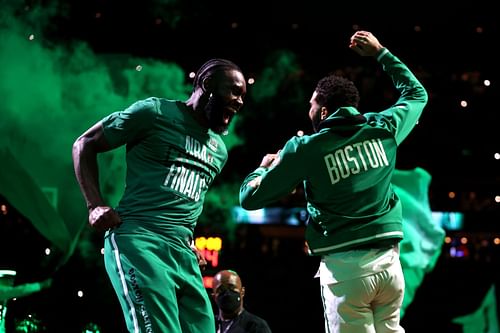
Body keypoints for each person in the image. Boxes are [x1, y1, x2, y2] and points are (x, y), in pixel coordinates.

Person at [239, 30, 428, 333]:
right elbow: (418, 94)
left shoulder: (305, 149)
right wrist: (381, 53)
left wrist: (261, 171)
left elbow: (250, 200)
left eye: (312, 104)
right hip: (391, 268)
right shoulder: (384, 127)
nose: (309, 110)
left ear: (324, 110)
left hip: (346, 272)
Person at [72, 58, 247, 333]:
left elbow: (184, 200)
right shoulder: (154, 112)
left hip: (183, 254)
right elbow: (85, 144)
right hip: (139, 241)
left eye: (242, 96)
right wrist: (94, 205)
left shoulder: (218, 151)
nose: (239, 101)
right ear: (207, 84)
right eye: (234, 91)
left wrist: (186, 238)